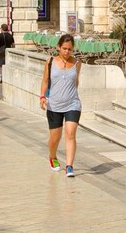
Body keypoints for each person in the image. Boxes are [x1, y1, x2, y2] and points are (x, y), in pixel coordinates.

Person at [40, 34, 82, 177]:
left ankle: (69, 166)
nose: (66, 52)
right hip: (54, 105)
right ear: (58, 47)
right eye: (64, 48)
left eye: (69, 49)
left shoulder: (77, 62)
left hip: (72, 104)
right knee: (55, 138)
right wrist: (42, 96)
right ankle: (52, 157)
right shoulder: (50, 62)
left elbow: (76, 81)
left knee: (70, 133)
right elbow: (45, 81)